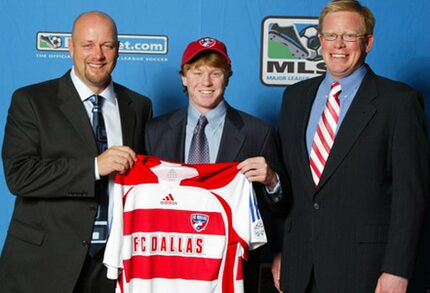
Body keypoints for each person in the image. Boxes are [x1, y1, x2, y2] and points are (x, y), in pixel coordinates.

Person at [271, 0, 430, 292]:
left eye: (350, 36)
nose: (339, 45)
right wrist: (282, 250)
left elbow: (411, 195)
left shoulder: (398, 102)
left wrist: (398, 269)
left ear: (368, 42)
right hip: (299, 267)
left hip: (365, 269)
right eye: (331, 35)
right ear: (320, 40)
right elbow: (295, 187)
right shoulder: (294, 98)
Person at [0, 11, 152, 293]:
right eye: (88, 45)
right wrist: (95, 167)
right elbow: (19, 176)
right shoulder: (31, 101)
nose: (98, 54)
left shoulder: (138, 105)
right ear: (70, 47)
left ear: (118, 50)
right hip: (44, 264)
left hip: (112, 265)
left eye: (107, 45)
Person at [145, 36, 284, 292]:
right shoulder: (155, 131)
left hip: (230, 266)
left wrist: (272, 180)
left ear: (227, 77)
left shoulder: (258, 132)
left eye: (215, 73)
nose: (206, 82)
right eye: (197, 73)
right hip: (170, 262)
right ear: (184, 78)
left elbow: (281, 208)